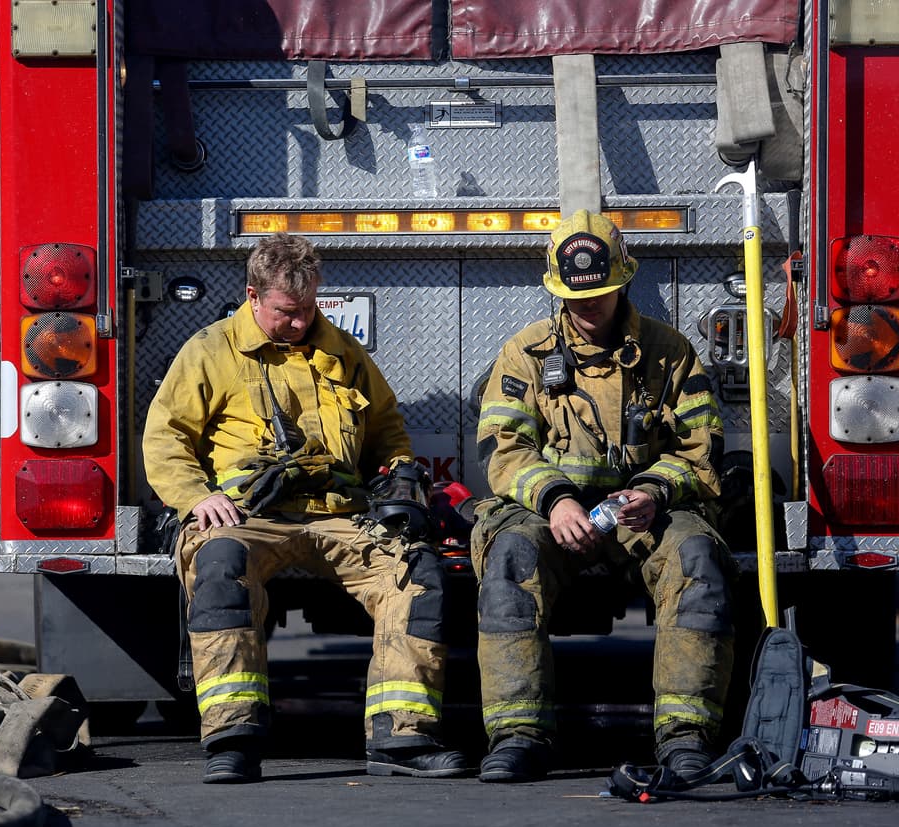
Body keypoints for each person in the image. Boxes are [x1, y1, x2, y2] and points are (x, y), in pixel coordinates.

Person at [142, 233, 471, 784]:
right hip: (249, 518)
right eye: (286, 312)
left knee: (417, 575)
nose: (299, 322)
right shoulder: (210, 350)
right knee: (220, 568)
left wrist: (398, 481)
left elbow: (386, 429)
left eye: (308, 308)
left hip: (340, 514)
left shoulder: (343, 351)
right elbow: (165, 436)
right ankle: (233, 740)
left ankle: (402, 736)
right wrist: (199, 498)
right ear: (252, 296)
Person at [470, 210, 736, 782]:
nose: (587, 305)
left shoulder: (670, 352)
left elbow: (702, 448)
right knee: (510, 557)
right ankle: (518, 737)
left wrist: (655, 491)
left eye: (600, 292)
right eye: (574, 296)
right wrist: (556, 500)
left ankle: (686, 737)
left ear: (624, 279)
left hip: (646, 513)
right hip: (554, 514)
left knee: (697, 558)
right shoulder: (526, 353)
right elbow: (503, 448)